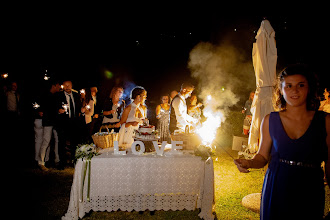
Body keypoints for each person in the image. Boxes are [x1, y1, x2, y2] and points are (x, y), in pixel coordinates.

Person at [234, 64, 329, 220]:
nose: (294, 90)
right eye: (289, 86)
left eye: (301, 85)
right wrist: (249, 163)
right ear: (281, 90)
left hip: (310, 186)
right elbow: (262, 157)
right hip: (277, 185)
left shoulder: (325, 121)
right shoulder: (270, 120)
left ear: (309, 88)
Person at [55, 80, 83, 169]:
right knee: (62, 143)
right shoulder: (58, 96)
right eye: (65, 85)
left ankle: (74, 161)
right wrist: (58, 111)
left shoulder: (76, 95)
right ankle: (62, 163)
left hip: (74, 122)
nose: (67, 87)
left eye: (69, 85)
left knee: (74, 143)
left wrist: (82, 111)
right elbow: (54, 107)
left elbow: (78, 108)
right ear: (63, 86)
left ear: (71, 86)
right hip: (63, 123)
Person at [37, 80, 61, 171]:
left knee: (55, 142)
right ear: (54, 85)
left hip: (55, 122)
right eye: (58, 85)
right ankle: (41, 162)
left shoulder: (56, 96)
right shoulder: (46, 96)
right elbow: (45, 109)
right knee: (46, 141)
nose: (60, 87)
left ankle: (54, 160)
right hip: (48, 122)